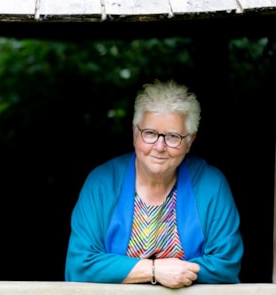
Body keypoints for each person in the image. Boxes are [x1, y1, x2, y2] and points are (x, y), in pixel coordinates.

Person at [64, 79, 243, 288]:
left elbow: (226, 265)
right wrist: (155, 271)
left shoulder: (211, 186)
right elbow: (80, 265)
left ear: (190, 140)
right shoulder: (101, 183)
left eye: (173, 136)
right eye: (149, 133)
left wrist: (124, 270)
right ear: (134, 132)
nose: (159, 146)